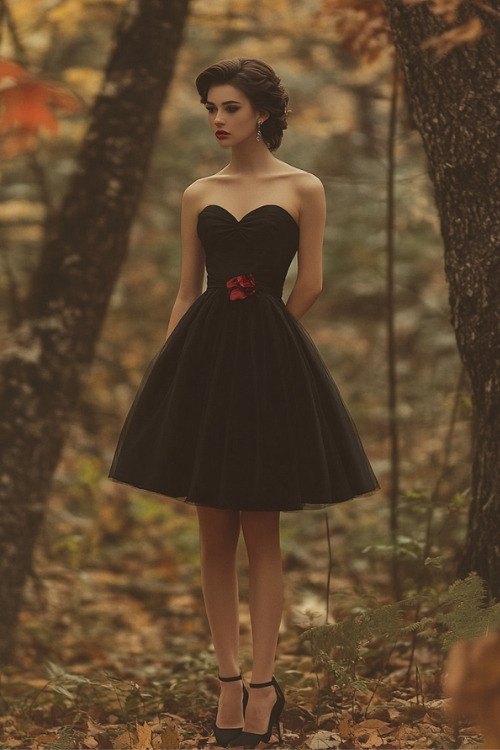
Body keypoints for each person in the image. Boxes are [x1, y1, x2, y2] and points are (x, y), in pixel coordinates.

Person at [109, 58, 379, 748]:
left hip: (268, 362)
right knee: (212, 536)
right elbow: (184, 288)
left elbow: (311, 282)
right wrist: (175, 373)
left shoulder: (304, 187)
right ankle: (227, 682)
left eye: (229, 107)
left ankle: (263, 687)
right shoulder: (198, 192)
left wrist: (268, 340)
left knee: (263, 533)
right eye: (210, 108)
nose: (217, 120)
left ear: (261, 112)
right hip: (203, 360)